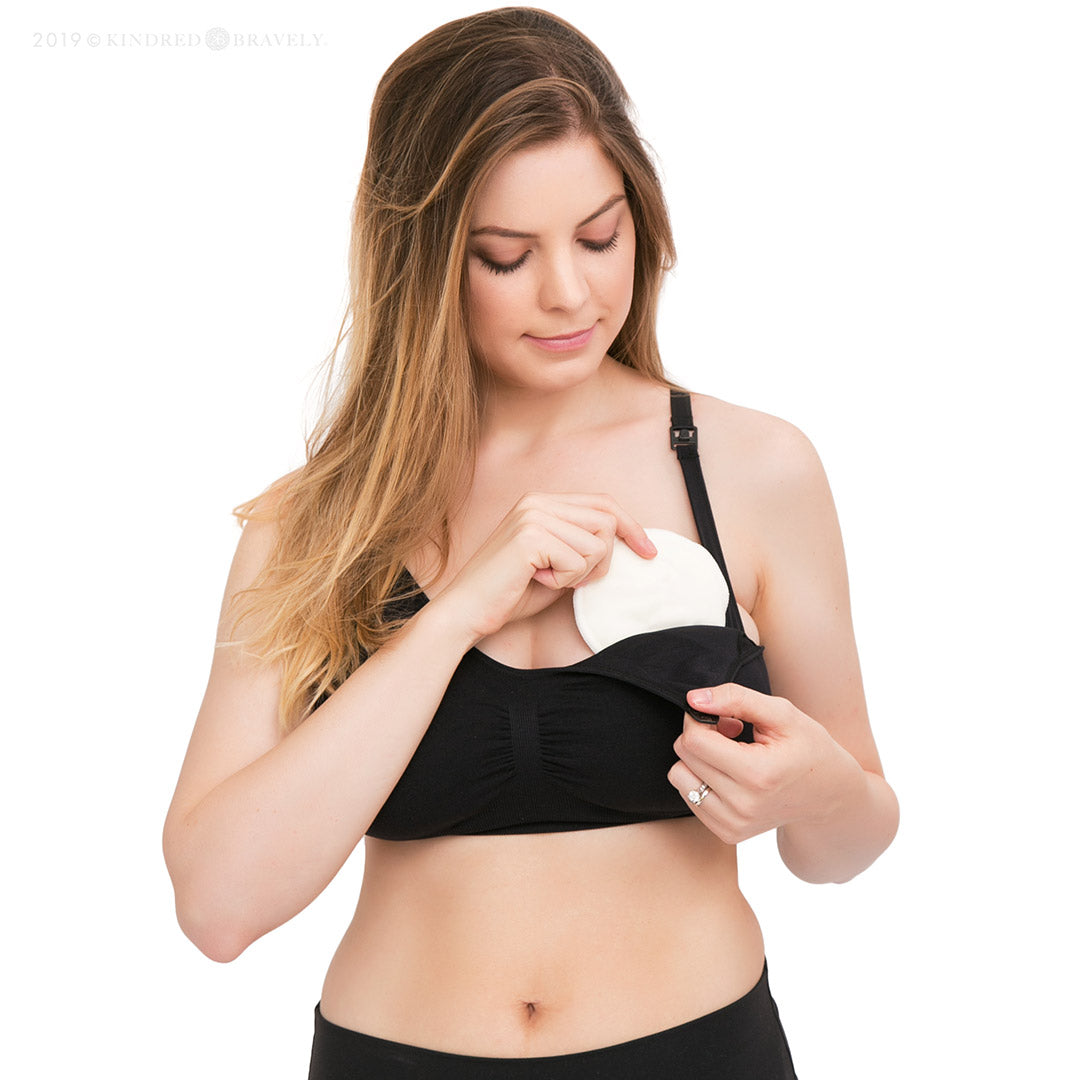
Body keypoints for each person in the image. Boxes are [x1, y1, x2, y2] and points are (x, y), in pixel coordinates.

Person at [163, 8, 899, 1077]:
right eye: (506, 257)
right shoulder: (313, 523)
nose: (569, 293)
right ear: (420, 259)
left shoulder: (752, 468)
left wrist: (818, 790)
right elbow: (217, 906)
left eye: (600, 238)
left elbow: (845, 845)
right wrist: (458, 610)